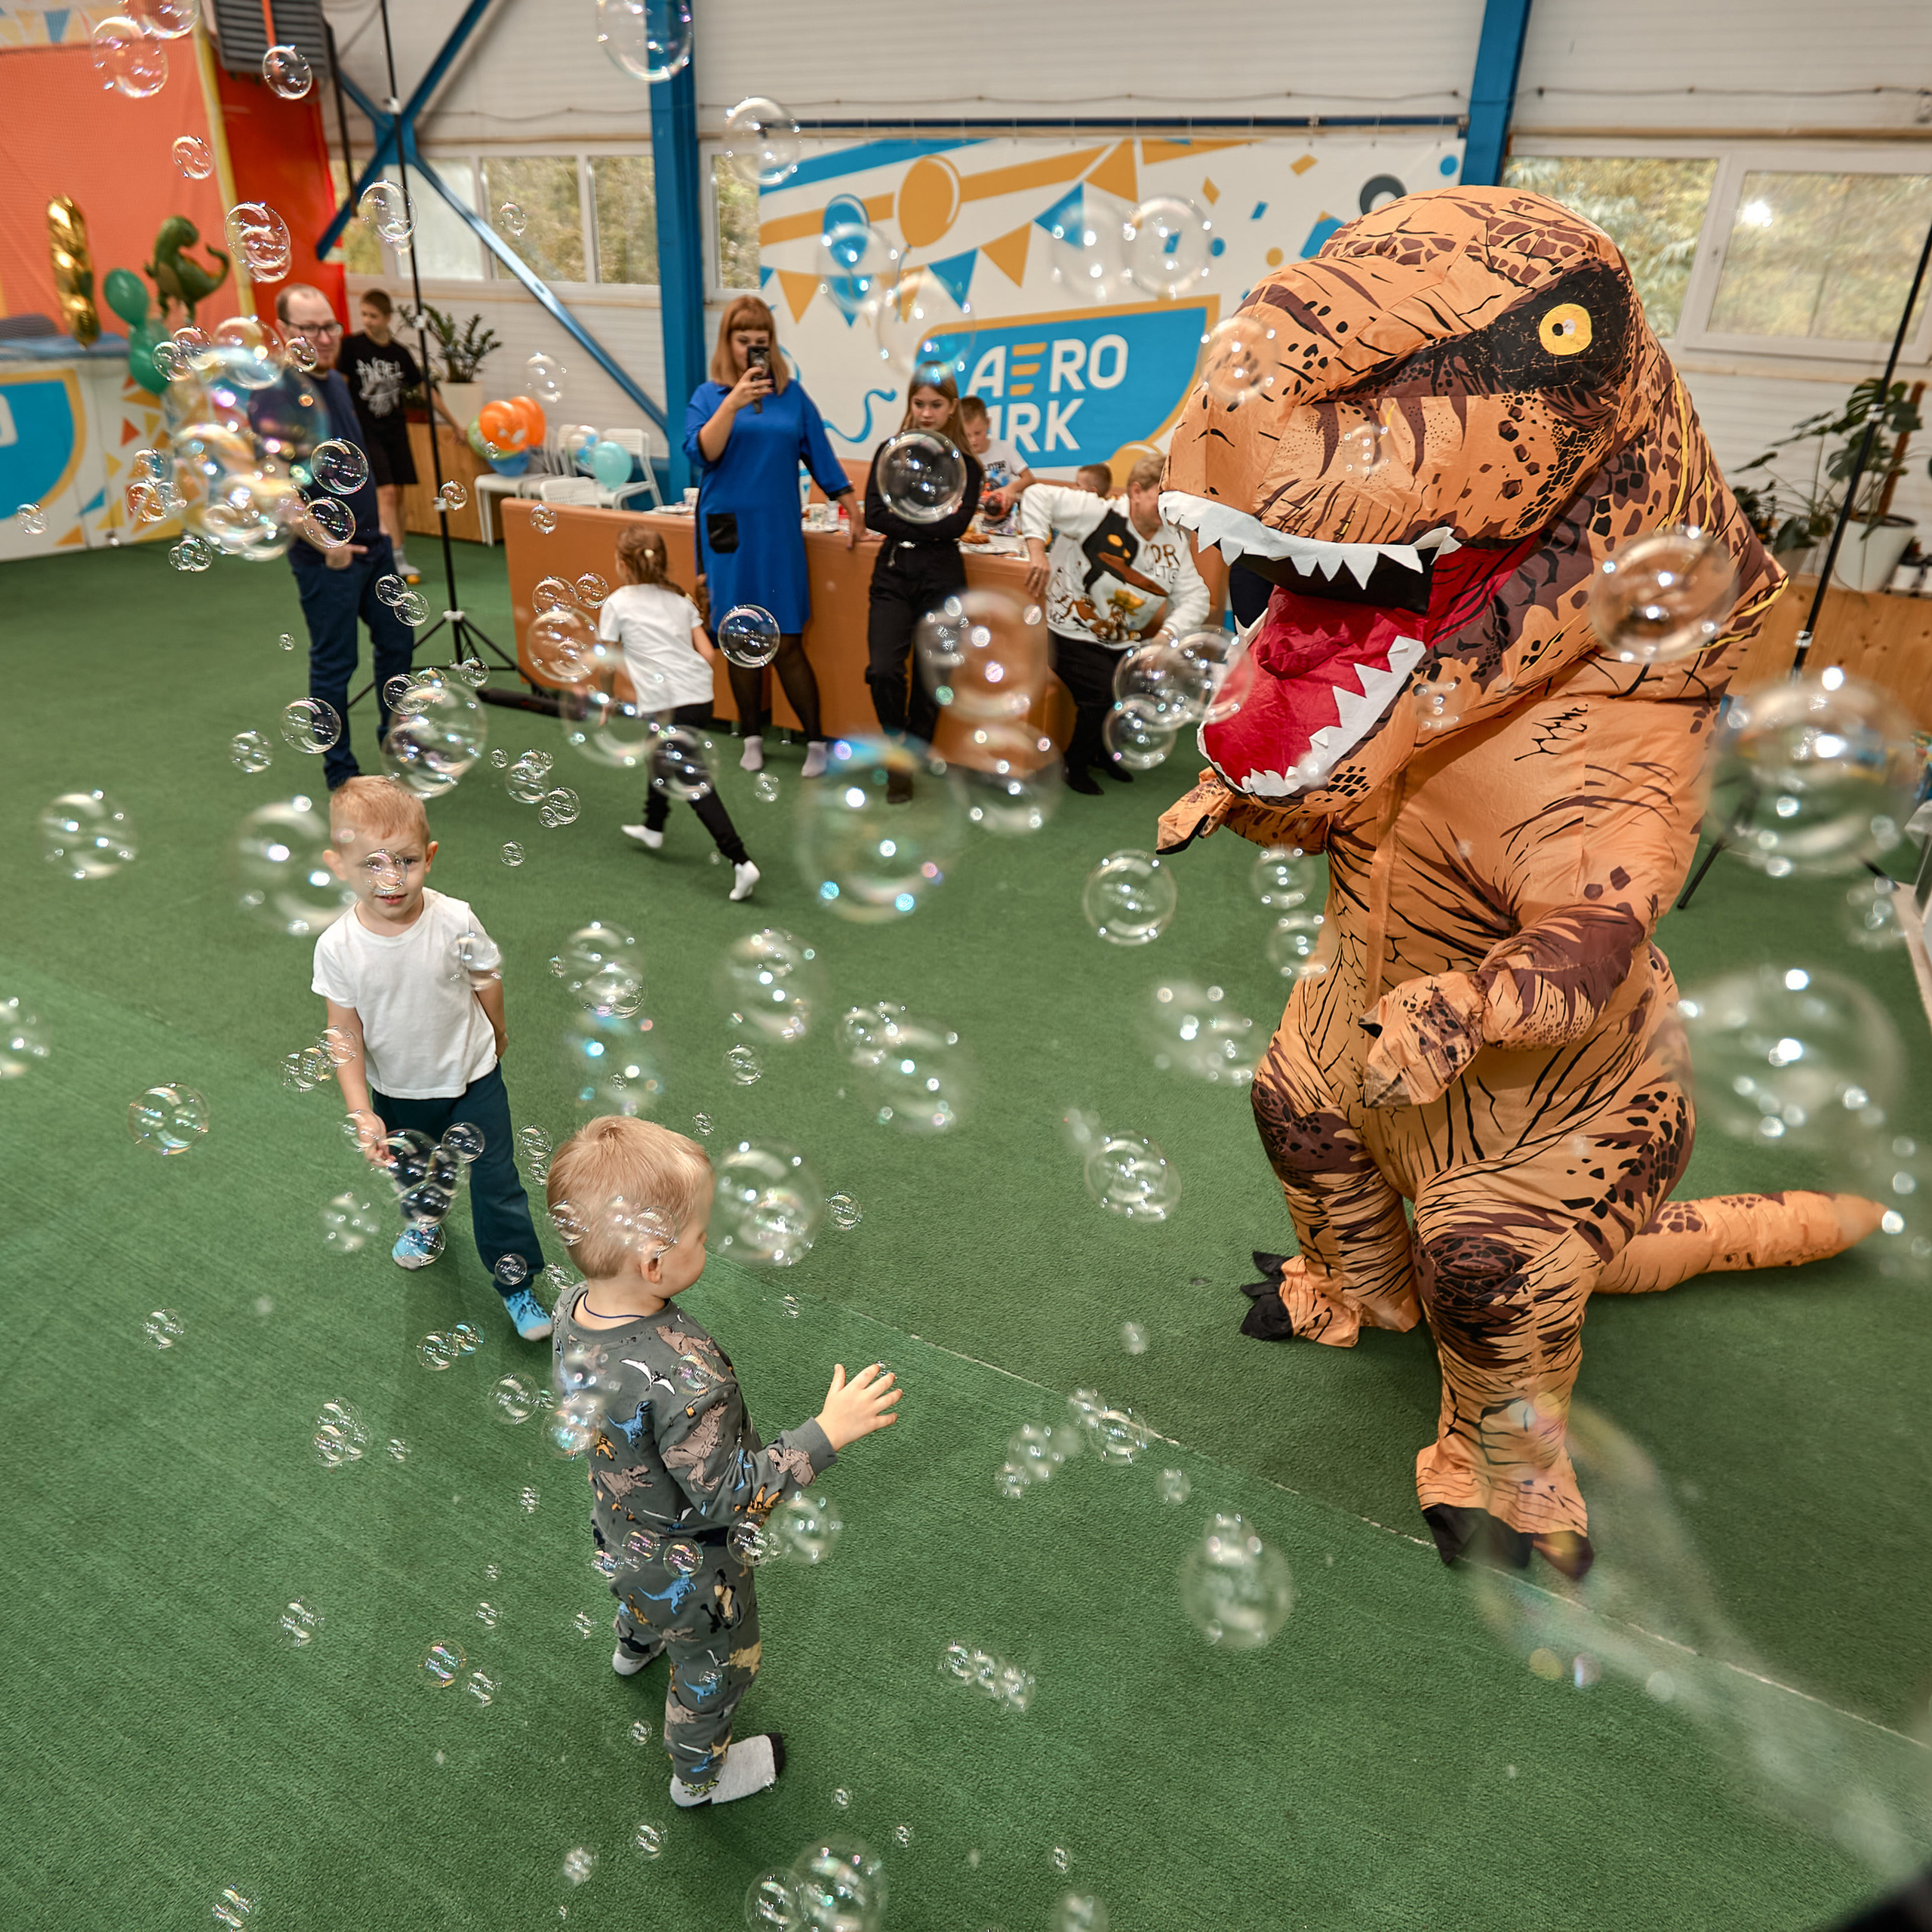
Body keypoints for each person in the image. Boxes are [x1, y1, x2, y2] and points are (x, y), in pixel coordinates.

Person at [546, 1115, 902, 1806]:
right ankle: (697, 1778)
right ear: (654, 1263)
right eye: (700, 1236)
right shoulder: (685, 1374)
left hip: (620, 1532)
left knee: (641, 1590)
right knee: (715, 1670)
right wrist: (827, 1432)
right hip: (694, 1569)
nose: (707, 1243)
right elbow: (731, 1497)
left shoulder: (569, 1309)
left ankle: (634, 1642)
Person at [315, 777, 554, 1340]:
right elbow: (343, 1031)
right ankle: (426, 1223)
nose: (391, 879)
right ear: (339, 865)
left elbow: (486, 980)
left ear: (431, 857)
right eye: (371, 864)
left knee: (498, 1184)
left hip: (474, 1079)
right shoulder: (338, 946)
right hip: (397, 1090)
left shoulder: (455, 919)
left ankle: (515, 1281)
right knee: (414, 1174)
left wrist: (497, 1033)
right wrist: (360, 1110)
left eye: (406, 861)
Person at [685, 296, 866, 780]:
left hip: (778, 533)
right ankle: (750, 734)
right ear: (728, 342)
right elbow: (703, 451)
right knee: (738, 636)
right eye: (743, 340)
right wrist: (734, 401)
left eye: (760, 341)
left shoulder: (793, 396)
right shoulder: (708, 395)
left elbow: (820, 455)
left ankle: (816, 741)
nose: (751, 348)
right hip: (727, 531)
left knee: (786, 640)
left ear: (771, 344)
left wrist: (848, 501)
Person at [271, 283, 416, 792]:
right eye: (309, 328)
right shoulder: (277, 394)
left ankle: (393, 741)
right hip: (328, 559)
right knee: (336, 662)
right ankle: (341, 775)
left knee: (398, 639)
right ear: (285, 332)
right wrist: (323, 543)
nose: (324, 336)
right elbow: (273, 486)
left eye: (329, 325)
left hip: (374, 548)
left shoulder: (333, 380)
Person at [1020, 454, 1209, 794]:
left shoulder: (1175, 540)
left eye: (1175, 500)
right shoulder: (1098, 511)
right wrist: (1037, 550)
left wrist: (1165, 636)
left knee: (1138, 684)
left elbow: (1196, 597)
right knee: (1101, 690)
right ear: (1136, 492)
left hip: (1121, 639)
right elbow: (1036, 495)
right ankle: (1073, 764)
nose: (1169, 509)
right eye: (1161, 497)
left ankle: (1102, 754)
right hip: (1066, 630)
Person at [601, 526, 759, 900]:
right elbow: (707, 653)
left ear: (624, 565)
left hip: (666, 703)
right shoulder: (680, 600)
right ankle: (653, 826)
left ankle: (740, 860)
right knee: (662, 755)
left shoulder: (617, 603)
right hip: (699, 698)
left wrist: (607, 700)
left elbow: (608, 660)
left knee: (689, 777)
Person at [864, 369, 983, 747]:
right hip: (894, 573)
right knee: (883, 670)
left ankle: (914, 752)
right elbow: (874, 515)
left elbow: (955, 528)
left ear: (952, 408)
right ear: (909, 404)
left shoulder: (967, 466)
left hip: (943, 576)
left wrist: (906, 520)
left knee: (936, 675)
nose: (926, 413)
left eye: (936, 405)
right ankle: (894, 741)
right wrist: (931, 522)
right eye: (919, 404)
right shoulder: (890, 453)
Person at [337, 288, 460, 586]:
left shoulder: (399, 354)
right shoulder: (352, 347)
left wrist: (454, 423)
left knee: (400, 495)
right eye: (364, 314)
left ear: (388, 318)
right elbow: (338, 387)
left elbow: (424, 391)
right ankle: (391, 559)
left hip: (395, 431)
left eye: (374, 316)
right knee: (387, 493)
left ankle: (400, 554)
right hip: (366, 433)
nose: (367, 321)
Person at [958, 395, 1035, 533]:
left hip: (1005, 521)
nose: (973, 440)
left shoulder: (1005, 448)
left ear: (988, 423)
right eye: (967, 435)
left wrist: (1010, 489)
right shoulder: (959, 456)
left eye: (978, 433)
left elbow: (1029, 478)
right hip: (971, 523)